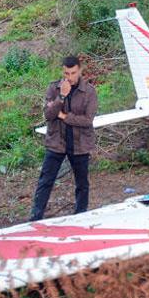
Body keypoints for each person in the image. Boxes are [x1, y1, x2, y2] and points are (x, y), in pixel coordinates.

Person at [30, 55, 98, 221]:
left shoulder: (89, 92)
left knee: (82, 184)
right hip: (56, 142)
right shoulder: (54, 88)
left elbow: (87, 121)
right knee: (45, 181)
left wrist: (64, 116)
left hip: (80, 143)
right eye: (66, 73)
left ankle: (80, 216)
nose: (70, 77)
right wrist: (61, 97)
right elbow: (48, 115)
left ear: (80, 71)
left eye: (73, 73)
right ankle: (35, 218)